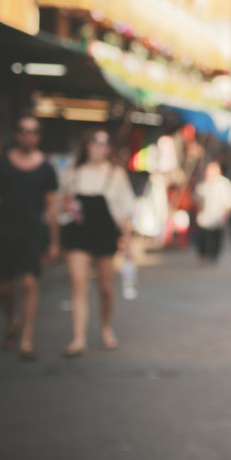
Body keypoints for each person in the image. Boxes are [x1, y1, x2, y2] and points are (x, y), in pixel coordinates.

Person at [0, 116, 59, 361]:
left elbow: (51, 207)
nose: (27, 135)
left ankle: (26, 340)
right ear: (15, 134)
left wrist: (55, 242)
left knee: (30, 284)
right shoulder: (1, 164)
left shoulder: (46, 169)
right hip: (4, 232)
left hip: (32, 233)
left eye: (33, 131)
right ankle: (12, 320)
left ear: (38, 136)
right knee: (3, 287)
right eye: (23, 130)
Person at [61, 128, 135, 356]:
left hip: (104, 232)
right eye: (95, 141)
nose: (99, 147)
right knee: (78, 283)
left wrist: (128, 243)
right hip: (78, 233)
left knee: (105, 287)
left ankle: (106, 328)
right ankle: (79, 338)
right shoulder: (73, 173)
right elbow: (60, 203)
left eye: (105, 143)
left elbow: (125, 211)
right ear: (87, 144)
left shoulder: (116, 174)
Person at [193, 161, 231, 265]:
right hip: (204, 217)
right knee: (202, 238)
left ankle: (213, 257)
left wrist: (226, 216)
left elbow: (229, 202)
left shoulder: (224, 184)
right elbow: (196, 199)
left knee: (215, 238)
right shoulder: (203, 183)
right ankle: (204, 256)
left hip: (218, 217)